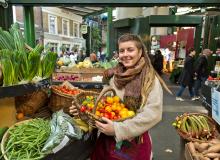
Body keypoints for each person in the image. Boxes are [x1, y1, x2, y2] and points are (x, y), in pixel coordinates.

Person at [69, 34, 170, 160]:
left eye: (130, 50)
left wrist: (118, 129)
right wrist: (83, 110)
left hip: (134, 140)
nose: (125, 54)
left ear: (140, 52)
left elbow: (153, 114)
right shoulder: (116, 75)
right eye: (122, 50)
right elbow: (105, 103)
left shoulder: (149, 79)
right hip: (107, 139)